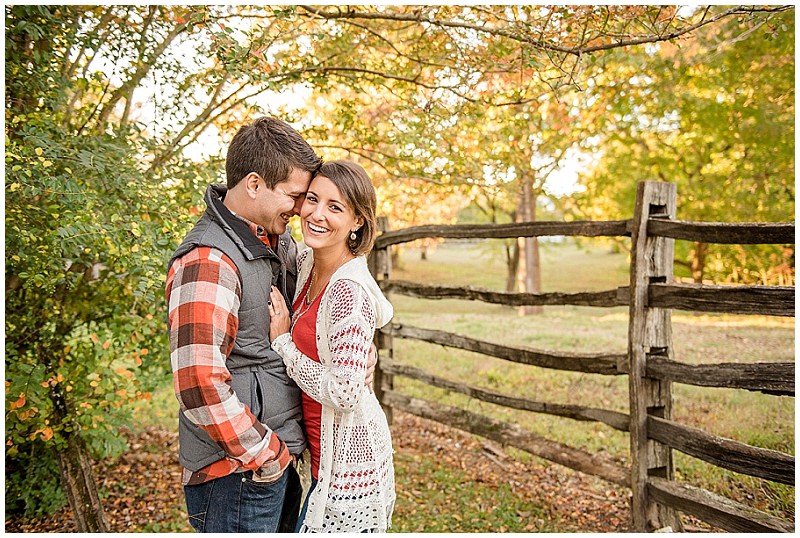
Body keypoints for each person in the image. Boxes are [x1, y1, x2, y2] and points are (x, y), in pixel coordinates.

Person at [166, 118, 377, 533]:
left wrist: (359, 351)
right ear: (255, 184)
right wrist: (266, 455)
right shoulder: (209, 262)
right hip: (237, 473)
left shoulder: (274, 242)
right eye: (296, 196)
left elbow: (326, 300)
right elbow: (197, 382)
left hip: (273, 464)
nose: (302, 209)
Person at [268, 160, 396, 533]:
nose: (317, 214)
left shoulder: (347, 291)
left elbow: (344, 391)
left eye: (335, 207)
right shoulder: (309, 262)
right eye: (312, 199)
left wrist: (283, 343)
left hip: (351, 465)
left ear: (358, 221)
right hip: (321, 459)